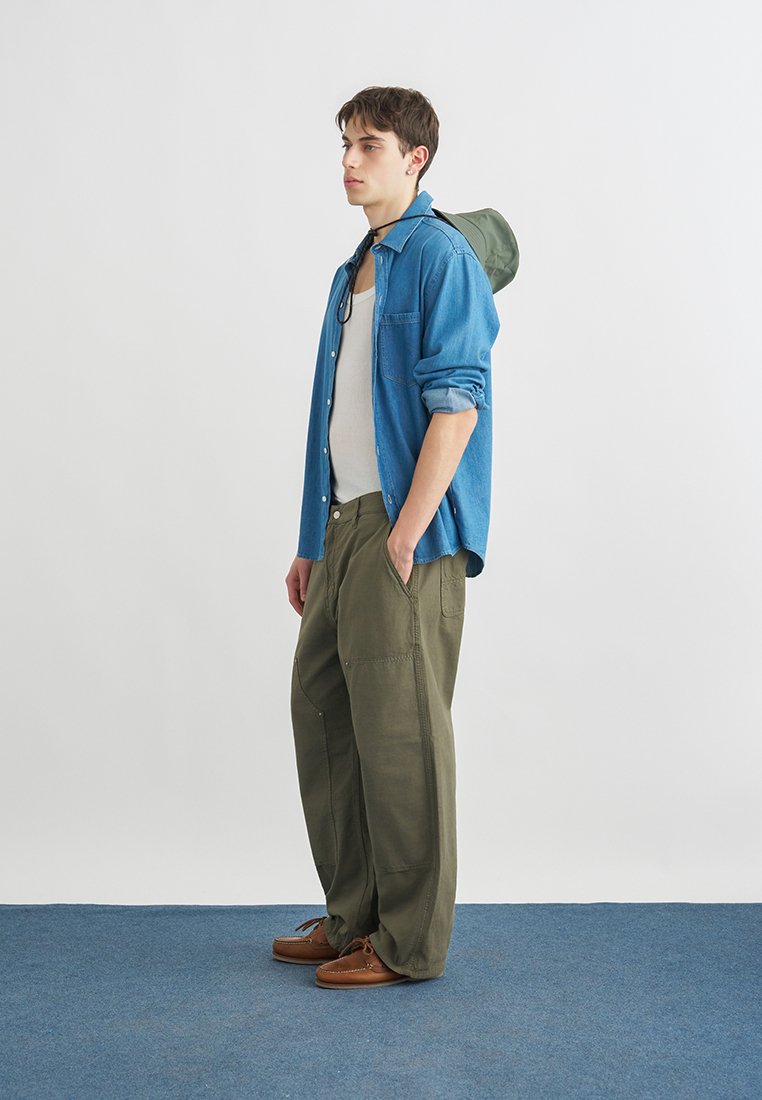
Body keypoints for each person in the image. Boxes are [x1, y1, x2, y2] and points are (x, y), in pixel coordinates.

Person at [275, 86, 510, 989]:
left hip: (403, 530)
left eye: (368, 144)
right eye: (344, 142)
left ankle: (408, 943)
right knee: (323, 711)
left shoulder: (439, 257)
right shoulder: (354, 271)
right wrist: (313, 537)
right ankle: (353, 919)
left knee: (402, 735)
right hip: (343, 525)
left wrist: (408, 533)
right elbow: (334, 414)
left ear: (416, 158)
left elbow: (458, 404)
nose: (348, 160)